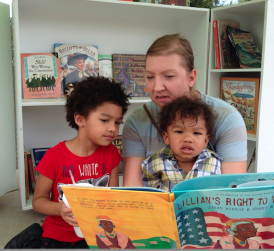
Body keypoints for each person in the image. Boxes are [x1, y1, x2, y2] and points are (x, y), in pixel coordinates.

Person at [122, 34, 247, 187]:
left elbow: (231, 192)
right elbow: (133, 189)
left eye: (168, 76)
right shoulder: (136, 122)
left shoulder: (227, 118)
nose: (157, 87)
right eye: (149, 77)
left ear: (191, 78)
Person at [32, 76, 130, 249]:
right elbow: (38, 201)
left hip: (98, 231)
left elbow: (111, 196)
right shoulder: (54, 156)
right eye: (105, 120)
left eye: (117, 122)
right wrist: (60, 209)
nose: (112, 129)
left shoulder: (112, 153)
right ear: (80, 119)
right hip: (59, 234)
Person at [142, 96, 221, 192]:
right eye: (179, 132)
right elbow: (151, 189)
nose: (188, 139)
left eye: (196, 133)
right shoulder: (156, 162)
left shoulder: (215, 163)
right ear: (166, 137)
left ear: (205, 140)